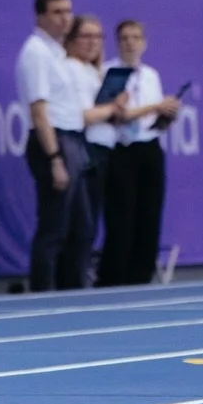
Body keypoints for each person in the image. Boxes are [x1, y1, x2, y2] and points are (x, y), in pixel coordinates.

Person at [13, 0, 95, 290]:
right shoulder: (36, 52)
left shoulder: (58, 54)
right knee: (54, 227)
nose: (65, 18)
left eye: (68, 11)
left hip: (73, 140)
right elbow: (39, 111)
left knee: (81, 226)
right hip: (54, 142)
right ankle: (43, 296)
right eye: (57, 12)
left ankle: (72, 293)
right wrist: (54, 158)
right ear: (41, 16)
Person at [100, 19, 181, 287]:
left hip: (149, 146)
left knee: (149, 213)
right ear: (117, 42)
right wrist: (156, 107)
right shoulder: (108, 72)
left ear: (144, 42)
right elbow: (117, 115)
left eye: (135, 37)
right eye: (124, 38)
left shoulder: (151, 75)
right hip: (121, 148)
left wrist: (167, 114)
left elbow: (152, 119)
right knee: (122, 215)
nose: (130, 43)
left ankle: (142, 275)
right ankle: (116, 277)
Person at [63, 15, 126, 273]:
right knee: (79, 223)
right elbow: (82, 115)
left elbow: (104, 114)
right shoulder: (71, 69)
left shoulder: (95, 72)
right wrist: (111, 108)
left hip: (103, 150)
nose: (93, 43)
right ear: (73, 39)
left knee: (91, 222)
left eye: (98, 37)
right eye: (86, 36)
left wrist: (117, 109)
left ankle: (81, 275)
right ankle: (72, 278)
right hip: (84, 150)